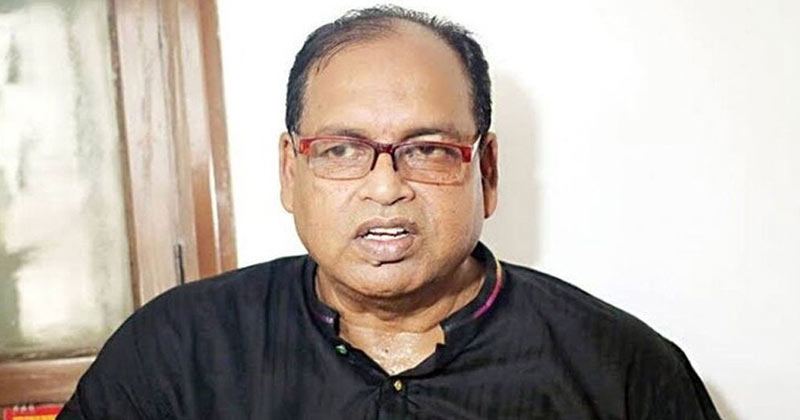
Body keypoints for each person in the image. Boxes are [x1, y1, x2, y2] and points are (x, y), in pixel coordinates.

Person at [59, 5, 721, 419]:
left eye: (427, 149)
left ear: (486, 172)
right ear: (291, 171)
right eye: (342, 149)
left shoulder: (620, 369)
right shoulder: (176, 352)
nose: (385, 187)